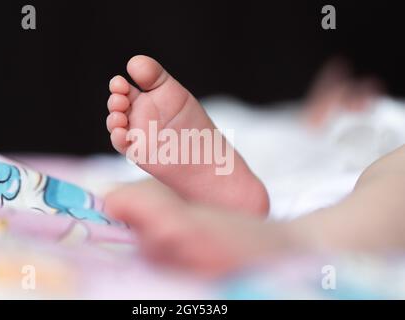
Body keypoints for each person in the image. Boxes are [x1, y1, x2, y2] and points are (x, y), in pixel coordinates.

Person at [104, 55, 405, 276]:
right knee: (279, 137)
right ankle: (233, 205)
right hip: (322, 159)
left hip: (348, 179)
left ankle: (295, 237)